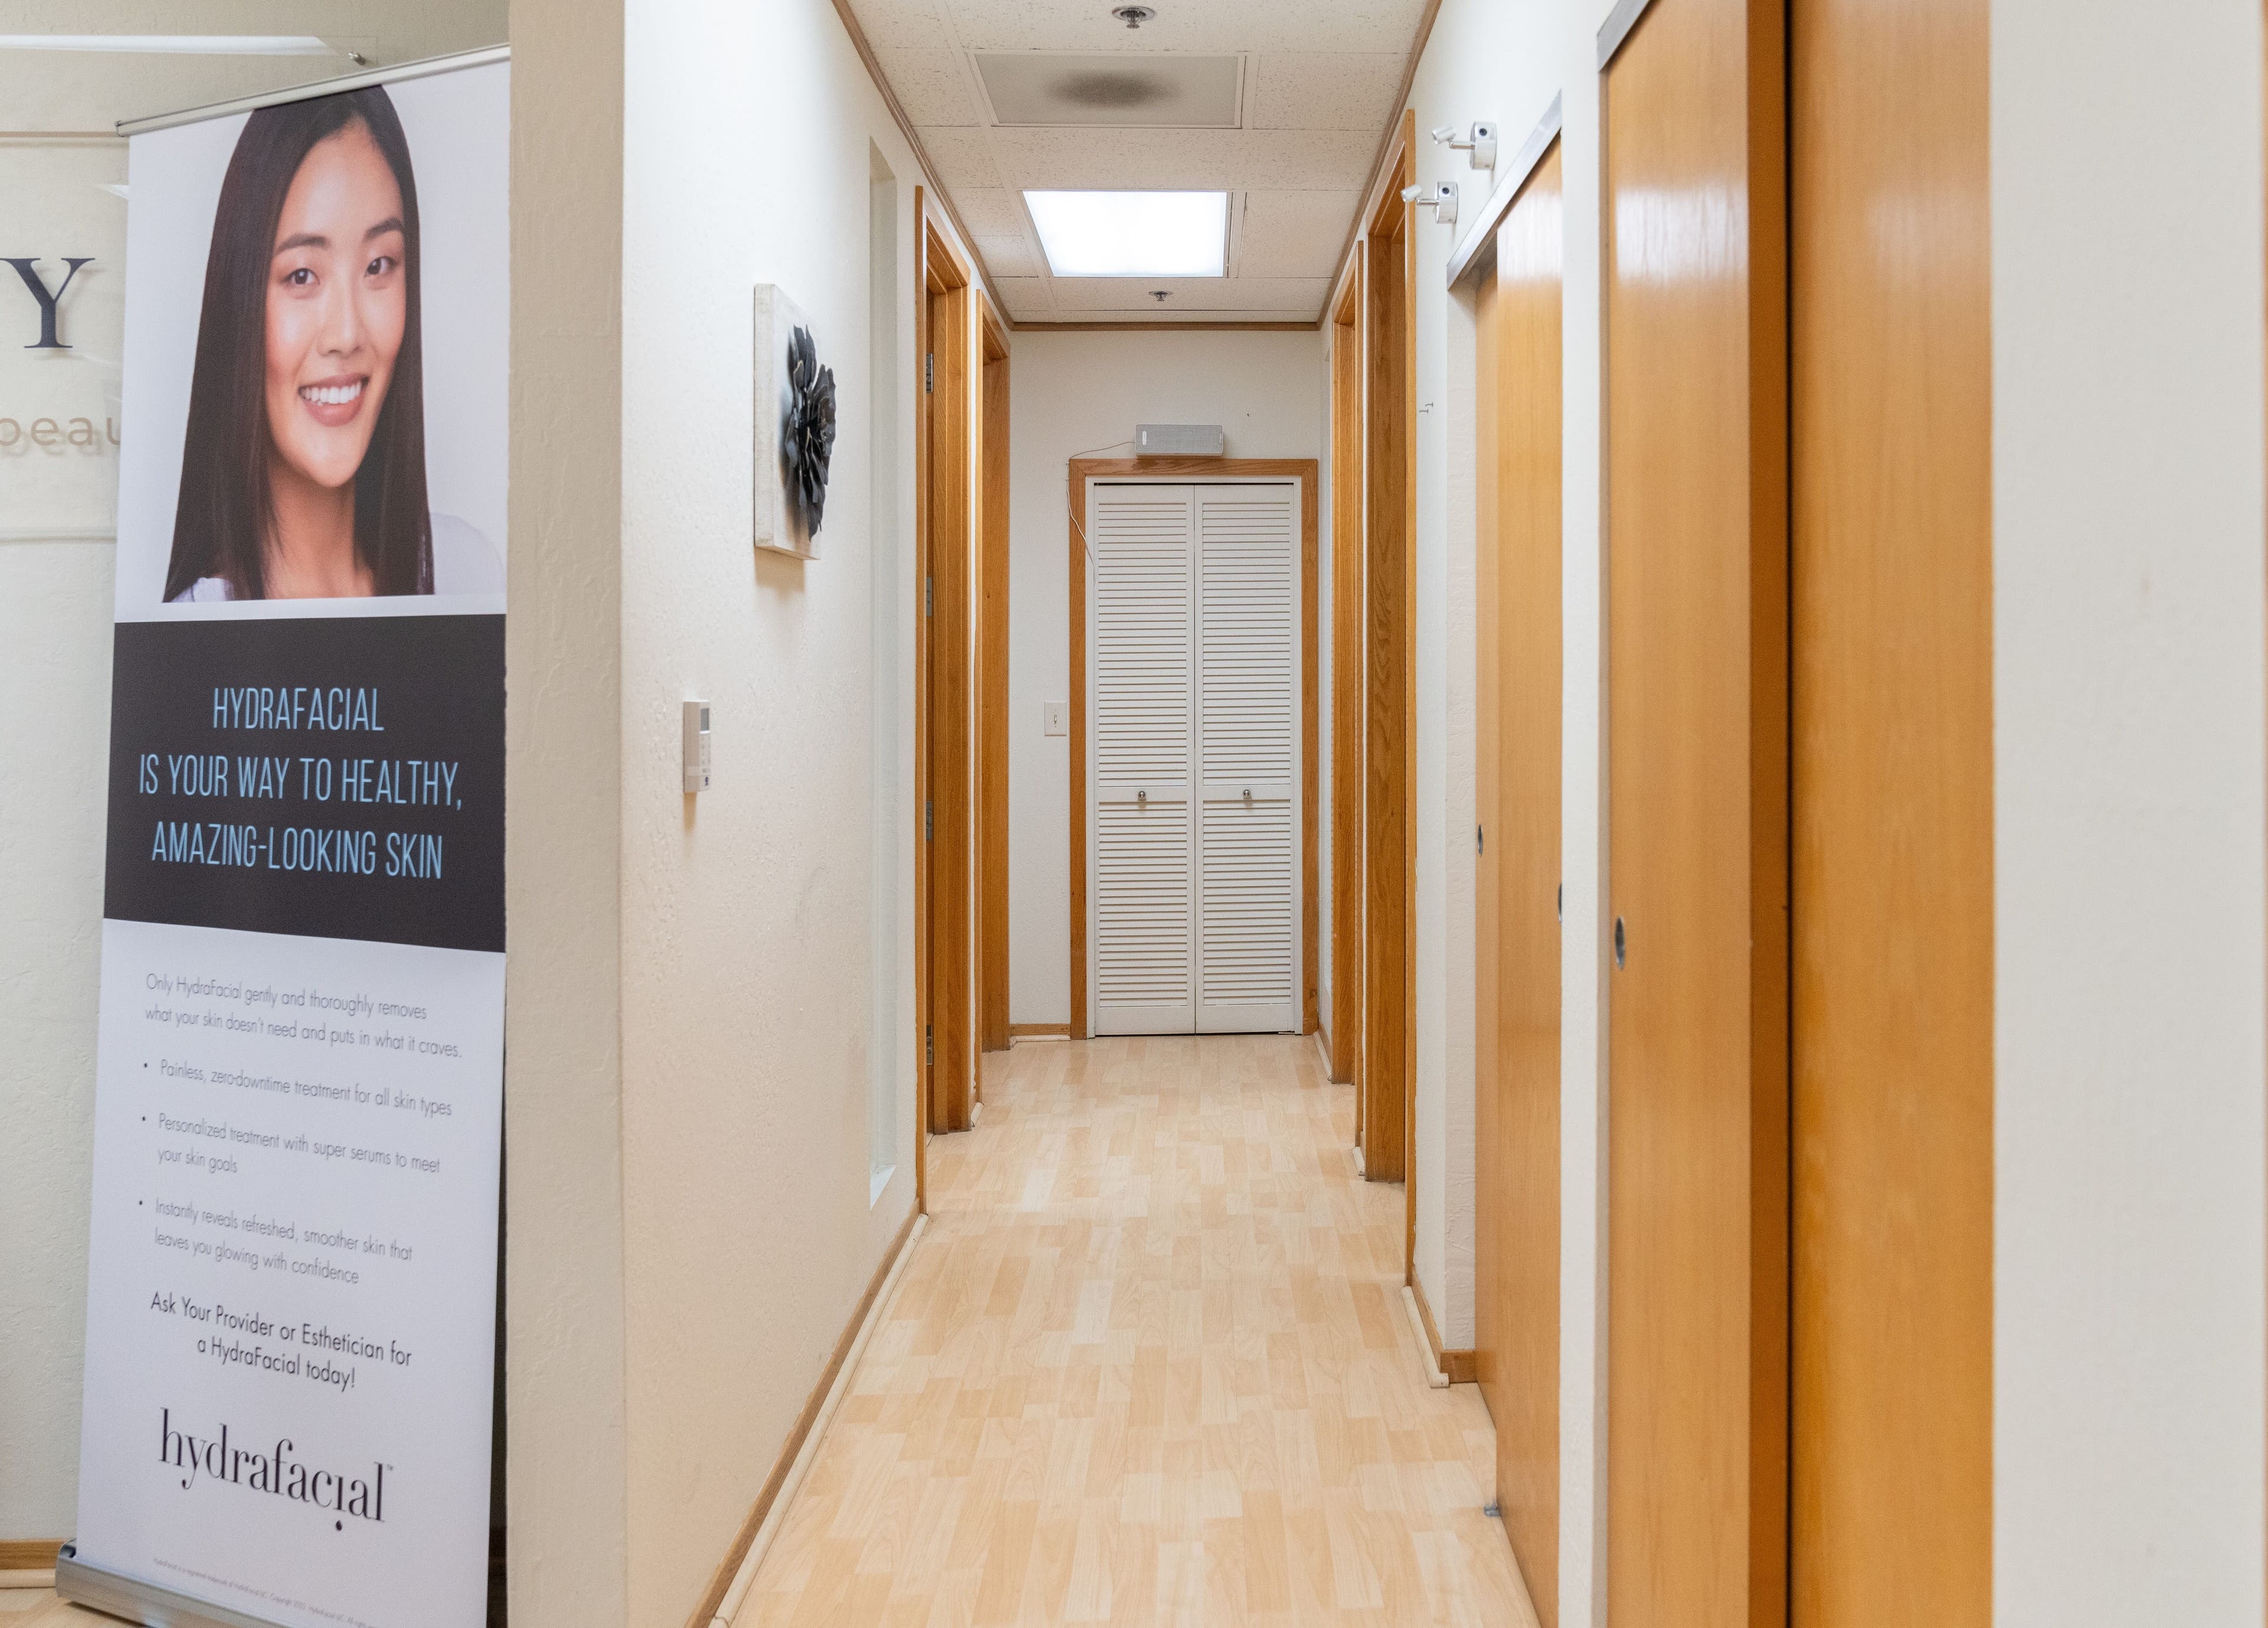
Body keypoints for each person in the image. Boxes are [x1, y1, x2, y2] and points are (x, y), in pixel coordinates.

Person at [163, 86, 497, 602]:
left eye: (378, 266)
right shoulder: (195, 629)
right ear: (240, 305)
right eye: (301, 276)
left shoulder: (468, 573)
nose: (347, 335)